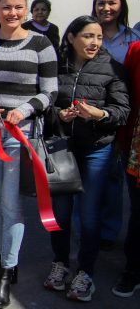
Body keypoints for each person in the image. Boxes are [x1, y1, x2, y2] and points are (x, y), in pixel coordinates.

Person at [0, 0, 58, 309]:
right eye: (7, 7)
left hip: (21, 131)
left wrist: (24, 109)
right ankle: (6, 261)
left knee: (11, 204)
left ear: (26, 10)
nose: (13, 13)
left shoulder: (41, 44)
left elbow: (50, 92)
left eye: (19, 7)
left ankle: (6, 270)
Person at [41, 16, 129, 302]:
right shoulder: (57, 66)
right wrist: (59, 115)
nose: (94, 43)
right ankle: (61, 263)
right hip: (63, 149)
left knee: (89, 215)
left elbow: (122, 111)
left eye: (99, 37)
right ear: (71, 38)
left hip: (97, 150)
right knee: (59, 214)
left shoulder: (113, 68)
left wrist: (99, 114)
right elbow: (46, 104)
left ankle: (86, 272)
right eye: (88, 36)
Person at [92, 0, 136, 249]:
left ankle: (109, 231)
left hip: (121, 113)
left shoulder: (132, 39)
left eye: (112, 3)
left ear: (122, 6)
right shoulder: (88, 33)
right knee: (86, 178)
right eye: (100, 3)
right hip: (89, 112)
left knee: (114, 177)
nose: (106, 8)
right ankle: (87, 228)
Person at [116, 41, 140, 298]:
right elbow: (128, 97)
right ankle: (133, 270)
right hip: (136, 145)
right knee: (138, 211)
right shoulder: (136, 50)